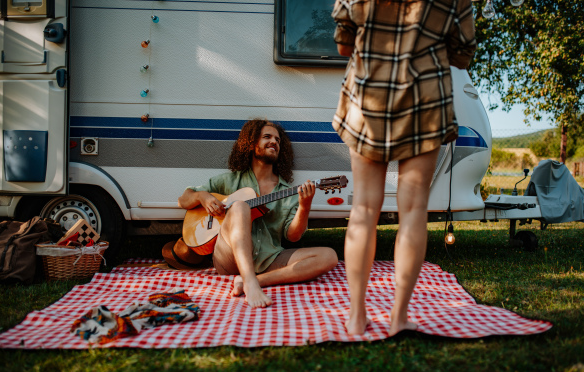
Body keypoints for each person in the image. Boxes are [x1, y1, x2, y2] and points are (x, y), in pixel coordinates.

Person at [332, 0, 476, 335]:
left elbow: (343, 44)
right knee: (414, 210)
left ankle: (356, 316)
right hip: (426, 98)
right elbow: (462, 54)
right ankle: (398, 318)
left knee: (364, 207)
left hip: (368, 96)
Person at [178, 119, 338, 308]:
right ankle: (251, 281)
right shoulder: (230, 180)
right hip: (229, 259)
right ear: (252, 143)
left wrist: (304, 205)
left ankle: (255, 281)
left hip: (270, 258)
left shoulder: (287, 191)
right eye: (267, 137)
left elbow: (293, 236)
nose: (274, 142)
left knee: (329, 256)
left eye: (278, 140)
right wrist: (203, 197)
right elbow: (184, 199)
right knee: (239, 206)